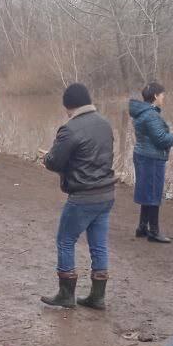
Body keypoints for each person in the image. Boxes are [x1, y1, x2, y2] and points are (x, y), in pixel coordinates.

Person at [40, 84, 116, 310]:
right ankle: (98, 296)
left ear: (69, 106)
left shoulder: (70, 129)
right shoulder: (105, 124)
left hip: (83, 196)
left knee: (65, 240)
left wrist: (47, 158)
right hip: (106, 194)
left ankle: (66, 294)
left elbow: (55, 162)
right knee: (99, 245)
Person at [129, 81, 173, 243]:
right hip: (151, 157)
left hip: (143, 154)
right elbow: (161, 139)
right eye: (163, 95)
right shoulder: (151, 115)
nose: (164, 98)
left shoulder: (143, 112)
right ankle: (154, 231)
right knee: (153, 193)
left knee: (147, 191)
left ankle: (142, 227)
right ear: (156, 96)